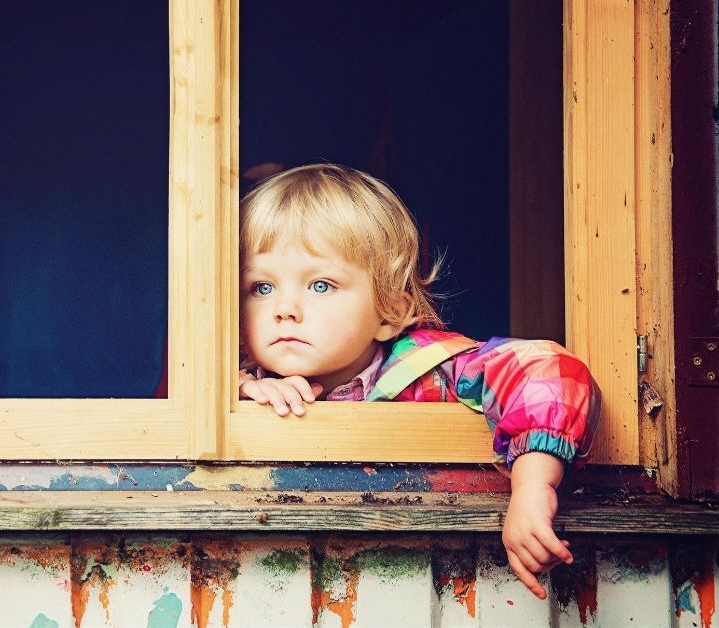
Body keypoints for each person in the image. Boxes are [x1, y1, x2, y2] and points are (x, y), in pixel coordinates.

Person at [238, 163, 599, 600]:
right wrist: (237, 391)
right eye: (261, 287)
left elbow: (549, 368)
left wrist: (532, 484)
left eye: (320, 285)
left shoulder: (433, 368)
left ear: (390, 310)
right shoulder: (235, 382)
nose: (285, 308)